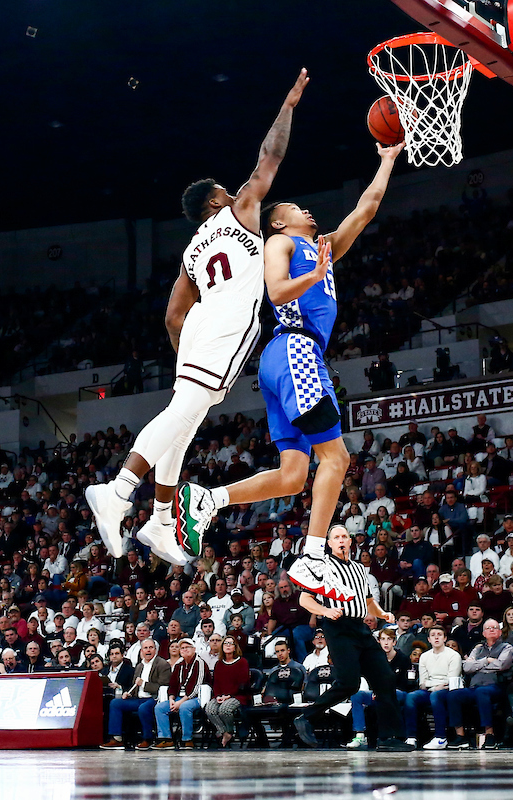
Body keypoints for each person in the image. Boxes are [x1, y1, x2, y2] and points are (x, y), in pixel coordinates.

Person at [84, 70, 309, 565]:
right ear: (215, 201)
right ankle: (118, 491)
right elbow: (269, 157)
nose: (235, 193)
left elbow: (171, 316)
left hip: (201, 326)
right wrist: (288, 105)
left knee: (185, 422)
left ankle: (161, 523)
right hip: (224, 324)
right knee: (183, 415)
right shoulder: (240, 213)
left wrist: (188, 352)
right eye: (226, 191)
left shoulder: (191, 250)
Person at [179, 142, 406, 600]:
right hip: (294, 349)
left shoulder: (323, 248)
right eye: (298, 208)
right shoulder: (279, 242)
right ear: (279, 220)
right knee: (337, 459)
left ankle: (208, 499)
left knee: (293, 476)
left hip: (286, 360)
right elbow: (279, 292)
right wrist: (314, 271)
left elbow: (367, 208)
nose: (309, 211)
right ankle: (314, 554)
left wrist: (385, 161)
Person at [289, 525, 414, 751]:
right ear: (329, 543)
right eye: (336, 537)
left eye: (344, 536)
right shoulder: (322, 566)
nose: (341, 540)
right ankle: (306, 716)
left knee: (385, 679)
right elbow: (304, 600)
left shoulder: (359, 568)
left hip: (360, 627)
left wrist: (382, 613)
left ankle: (389, 737)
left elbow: (367, 602)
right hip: (337, 628)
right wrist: (325, 611)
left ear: (350, 541)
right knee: (349, 683)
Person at [446, 619, 513, 749]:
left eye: (494, 627)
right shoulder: (477, 649)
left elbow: (501, 665)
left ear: (500, 632)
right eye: (488, 628)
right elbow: (467, 667)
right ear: (483, 633)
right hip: (474, 687)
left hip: (495, 686)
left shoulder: (506, 647)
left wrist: (477, 665)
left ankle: (490, 735)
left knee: (482, 692)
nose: (491, 630)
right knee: (453, 695)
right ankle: (460, 736)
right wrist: (487, 661)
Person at [345, 627, 415, 749]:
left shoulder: (403, 659)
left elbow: (407, 683)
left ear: (394, 642)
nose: (386, 642)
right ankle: (360, 735)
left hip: (399, 692)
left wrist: (383, 692)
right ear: (378, 641)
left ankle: (393, 736)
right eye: (383, 639)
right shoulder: (375, 659)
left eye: (389, 639)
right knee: (357, 695)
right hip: (377, 692)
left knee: (389, 695)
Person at [100, 639, 171, 750]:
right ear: (141, 651)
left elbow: (162, 687)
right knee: (115, 703)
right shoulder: (139, 666)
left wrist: (144, 683)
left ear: (155, 650)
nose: (148, 650)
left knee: (143, 708)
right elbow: (135, 686)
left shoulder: (162, 664)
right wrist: (128, 693)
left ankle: (147, 738)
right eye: (145, 648)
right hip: (139, 698)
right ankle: (117, 738)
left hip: (154, 698)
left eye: (151, 647)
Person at [405, 626, 461, 749]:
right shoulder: (424, 656)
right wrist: (434, 686)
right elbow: (422, 683)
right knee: (411, 696)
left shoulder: (453, 655)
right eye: (433, 635)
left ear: (445, 638)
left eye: (439, 634)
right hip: (431, 689)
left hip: (448, 691)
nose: (436, 637)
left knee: (436, 696)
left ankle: (441, 737)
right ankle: (411, 737)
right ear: (429, 639)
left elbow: (451, 680)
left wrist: (434, 687)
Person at [150, 638, 207, 749]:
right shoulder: (178, 664)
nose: (185, 650)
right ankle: (166, 739)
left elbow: (196, 687)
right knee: (160, 707)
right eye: (182, 648)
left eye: (187, 647)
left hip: (196, 698)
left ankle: (187, 739)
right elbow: (173, 685)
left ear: (194, 649)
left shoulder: (200, 663)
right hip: (178, 697)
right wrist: (171, 699)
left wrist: (180, 702)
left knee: (185, 707)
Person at [204, 637, 251, 748]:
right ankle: (225, 732)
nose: (228, 645)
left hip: (238, 695)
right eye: (226, 643)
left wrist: (229, 696)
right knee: (209, 709)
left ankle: (229, 731)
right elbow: (216, 684)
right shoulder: (219, 664)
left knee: (224, 709)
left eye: (231, 643)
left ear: (235, 647)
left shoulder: (242, 662)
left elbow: (243, 684)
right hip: (222, 695)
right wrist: (218, 696)